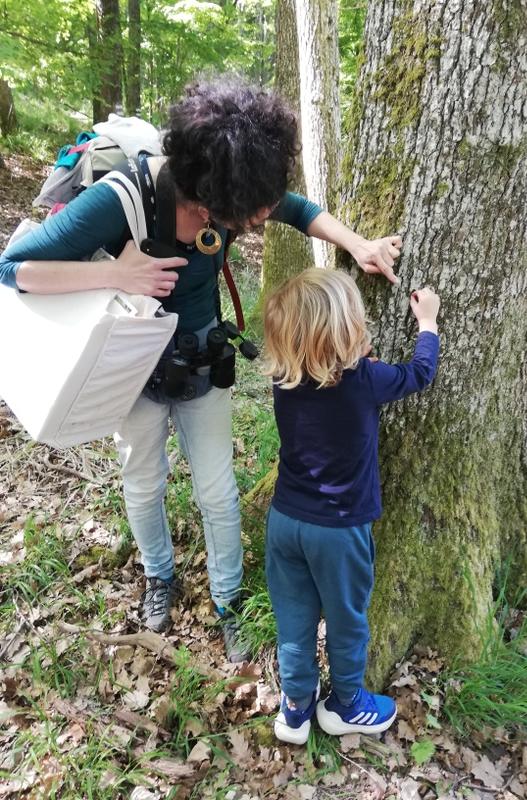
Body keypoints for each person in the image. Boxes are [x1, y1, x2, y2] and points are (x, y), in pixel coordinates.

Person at [0, 77, 402, 662]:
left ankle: (229, 599)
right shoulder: (124, 199)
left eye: (262, 207)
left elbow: (300, 210)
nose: (263, 217)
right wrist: (116, 274)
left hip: (203, 362)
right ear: (209, 196)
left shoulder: (241, 192)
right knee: (143, 480)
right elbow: (14, 268)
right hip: (128, 367)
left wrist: (358, 243)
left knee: (217, 491)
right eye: (254, 211)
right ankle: (158, 576)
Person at [262, 269, 440, 743]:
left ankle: (295, 710)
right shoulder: (367, 380)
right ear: (347, 331)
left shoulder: (284, 377)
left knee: (294, 623)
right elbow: (419, 373)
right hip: (338, 531)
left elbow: (326, 378)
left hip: (284, 522)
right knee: (346, 619)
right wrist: (428, 323)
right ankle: (344, 703)